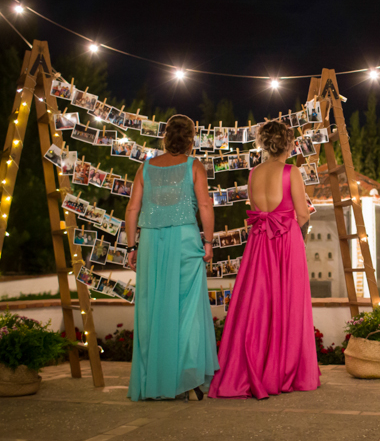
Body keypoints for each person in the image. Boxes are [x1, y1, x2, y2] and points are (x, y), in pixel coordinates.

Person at [210, 120, 320, 399]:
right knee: (288, 302)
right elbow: (303, 214)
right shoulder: (291, 171)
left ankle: (253, 368)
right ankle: (283, 370)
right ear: (289, 143)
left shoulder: (253, 173)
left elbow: (256, 208)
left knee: (257, 305)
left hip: (259, 243)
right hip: (285, 242)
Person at [126, 115, 219, 402]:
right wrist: (208, 242)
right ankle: (187, 380)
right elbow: (204, 204)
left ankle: (153, 379)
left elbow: (132, 209)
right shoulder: (195, 166)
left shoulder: (146, 167)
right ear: (191, 139)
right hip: (184, 242)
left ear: (165, 137)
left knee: (152, 309)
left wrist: (132, 247)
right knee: (187, 311)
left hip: (151, 243)